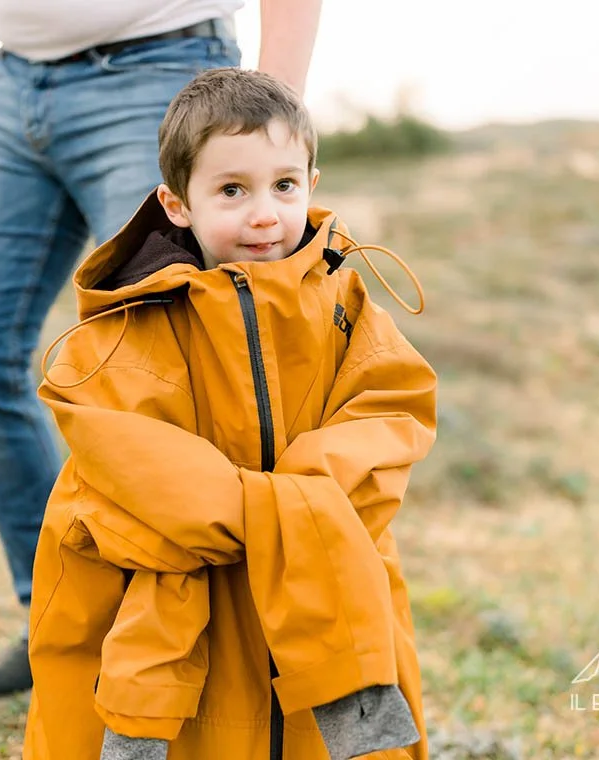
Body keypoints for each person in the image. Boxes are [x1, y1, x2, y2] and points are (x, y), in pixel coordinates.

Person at [0, 0, 322, 699]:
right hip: (13, 95)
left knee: (168, 376)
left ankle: (201, 664)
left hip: (162, 75)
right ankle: (67, 625)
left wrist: (271, 140)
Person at [28, 69, 438, 760]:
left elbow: (389, 414)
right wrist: (284, 514)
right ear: (176, 202)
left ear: (312, 179)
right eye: (231, 190)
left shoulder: (344, 306)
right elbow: (130, 472)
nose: (264, 214)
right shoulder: (125, 331)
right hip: (180, 638)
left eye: (284, 184)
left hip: (326, 612)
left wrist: (283, 506)